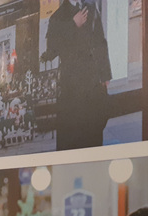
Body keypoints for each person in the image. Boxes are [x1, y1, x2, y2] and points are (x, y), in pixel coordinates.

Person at [45, 0, 112, 151]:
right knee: (73, 136)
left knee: (94, 132)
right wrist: (72, 24)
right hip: (71, 87)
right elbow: (51, 51)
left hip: (93, 83)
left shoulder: (91, 8)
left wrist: (105, 75)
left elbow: (100, 42)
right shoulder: (58, 16)